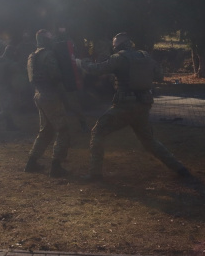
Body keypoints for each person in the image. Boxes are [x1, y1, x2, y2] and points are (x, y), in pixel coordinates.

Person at [76, 32, 190, 181]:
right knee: (149, 141)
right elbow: (159, 76)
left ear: (117, 47)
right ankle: (179, 168)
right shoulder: (145, 56)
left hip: (124, 106)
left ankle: (94, 173)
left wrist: (80, 62)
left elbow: (97, 70)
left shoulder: (119, 58)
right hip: (143, 105)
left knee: (97, 132)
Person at [24, 29, 72, 178]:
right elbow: (55, 75)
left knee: (45, 131)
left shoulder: (32, 56)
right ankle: (56, 166)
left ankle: (31, 162)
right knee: (63, 130)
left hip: (38, 94)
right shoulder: (48, 55)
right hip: (50, 95)